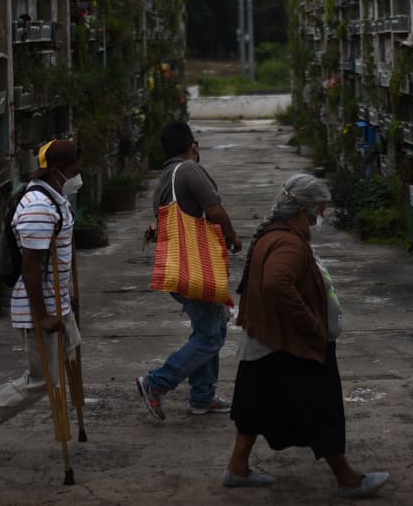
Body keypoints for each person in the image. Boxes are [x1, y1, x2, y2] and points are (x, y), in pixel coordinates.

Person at [222, 174, 389, 499]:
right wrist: (311, 323)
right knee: (322, 408)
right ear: (304, 210)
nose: (320, 219)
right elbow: (276, 283)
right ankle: (347, 479)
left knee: (254, 403)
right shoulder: (289, 243)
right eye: (319, 211)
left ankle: (237, 467)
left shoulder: (275, 234)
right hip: (289, 342)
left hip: (267, 339)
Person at [0, 139, 83, 460]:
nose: (79, 173)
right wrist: (42, 315)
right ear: (59, 172)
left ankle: (76, 424)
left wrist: (68, 295)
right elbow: (31, 267)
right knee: (43, 380)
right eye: (75, 168)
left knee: (72, 352)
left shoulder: (57, 198)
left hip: (59, 301)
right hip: (38, 307)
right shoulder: (38, 206)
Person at [135, 121, 242, 420]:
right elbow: (215, 211)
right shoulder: (189, 170)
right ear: (192, 145)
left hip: (178, 268)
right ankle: (157, 383)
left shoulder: (164, 179)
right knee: (210, 336)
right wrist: (233, 237)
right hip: (195, 268)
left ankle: (203, 395)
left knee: (210, 327)